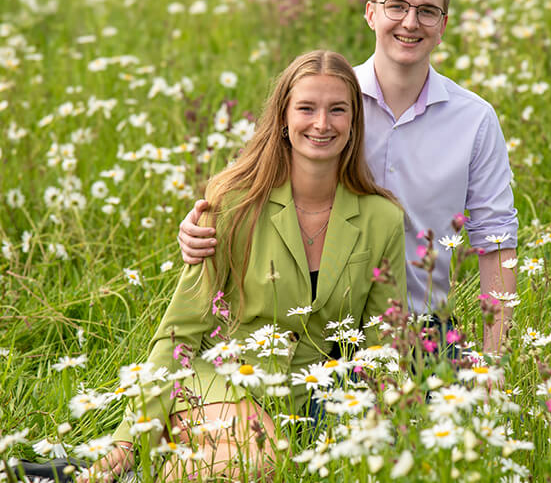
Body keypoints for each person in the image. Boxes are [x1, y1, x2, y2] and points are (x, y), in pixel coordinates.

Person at [177, 0, 518, 353]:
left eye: (427, 11)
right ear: (371, 13)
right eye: (396, 7)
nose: (410, 22)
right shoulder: (325, 104)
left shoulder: (474, 120)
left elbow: (495, 240)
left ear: (442, 25)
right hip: (314, 324)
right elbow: (254, 179)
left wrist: (495, 364)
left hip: (418, 326)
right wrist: (201, 225)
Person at [91, 50, 406, 481]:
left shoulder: (382, 219)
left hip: (303, 399)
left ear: (354, 123)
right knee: (256, 458)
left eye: (338, 110)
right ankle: (133, 464)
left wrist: (391, 429)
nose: (322, 123)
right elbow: (180, 331)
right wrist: (128, 442)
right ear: (282, 118)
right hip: (217, 378)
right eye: (306, 108)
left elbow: (383, 343)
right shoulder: (233, 203)